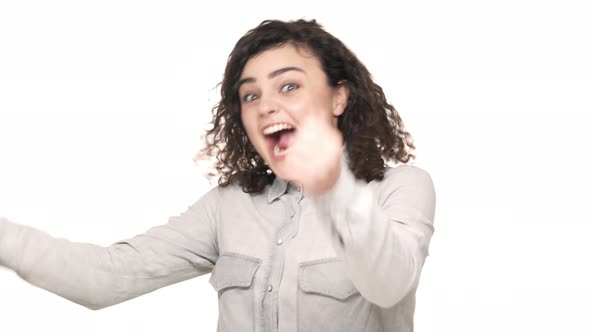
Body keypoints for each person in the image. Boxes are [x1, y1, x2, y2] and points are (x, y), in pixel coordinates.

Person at [0, 19, 436, 332]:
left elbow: (388, 282)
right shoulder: (229, 205)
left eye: (288, 85)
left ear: (339, 97)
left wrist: (332, 185)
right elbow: (106, 277)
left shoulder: (400, 188)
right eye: (250, 95)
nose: (266, 105)